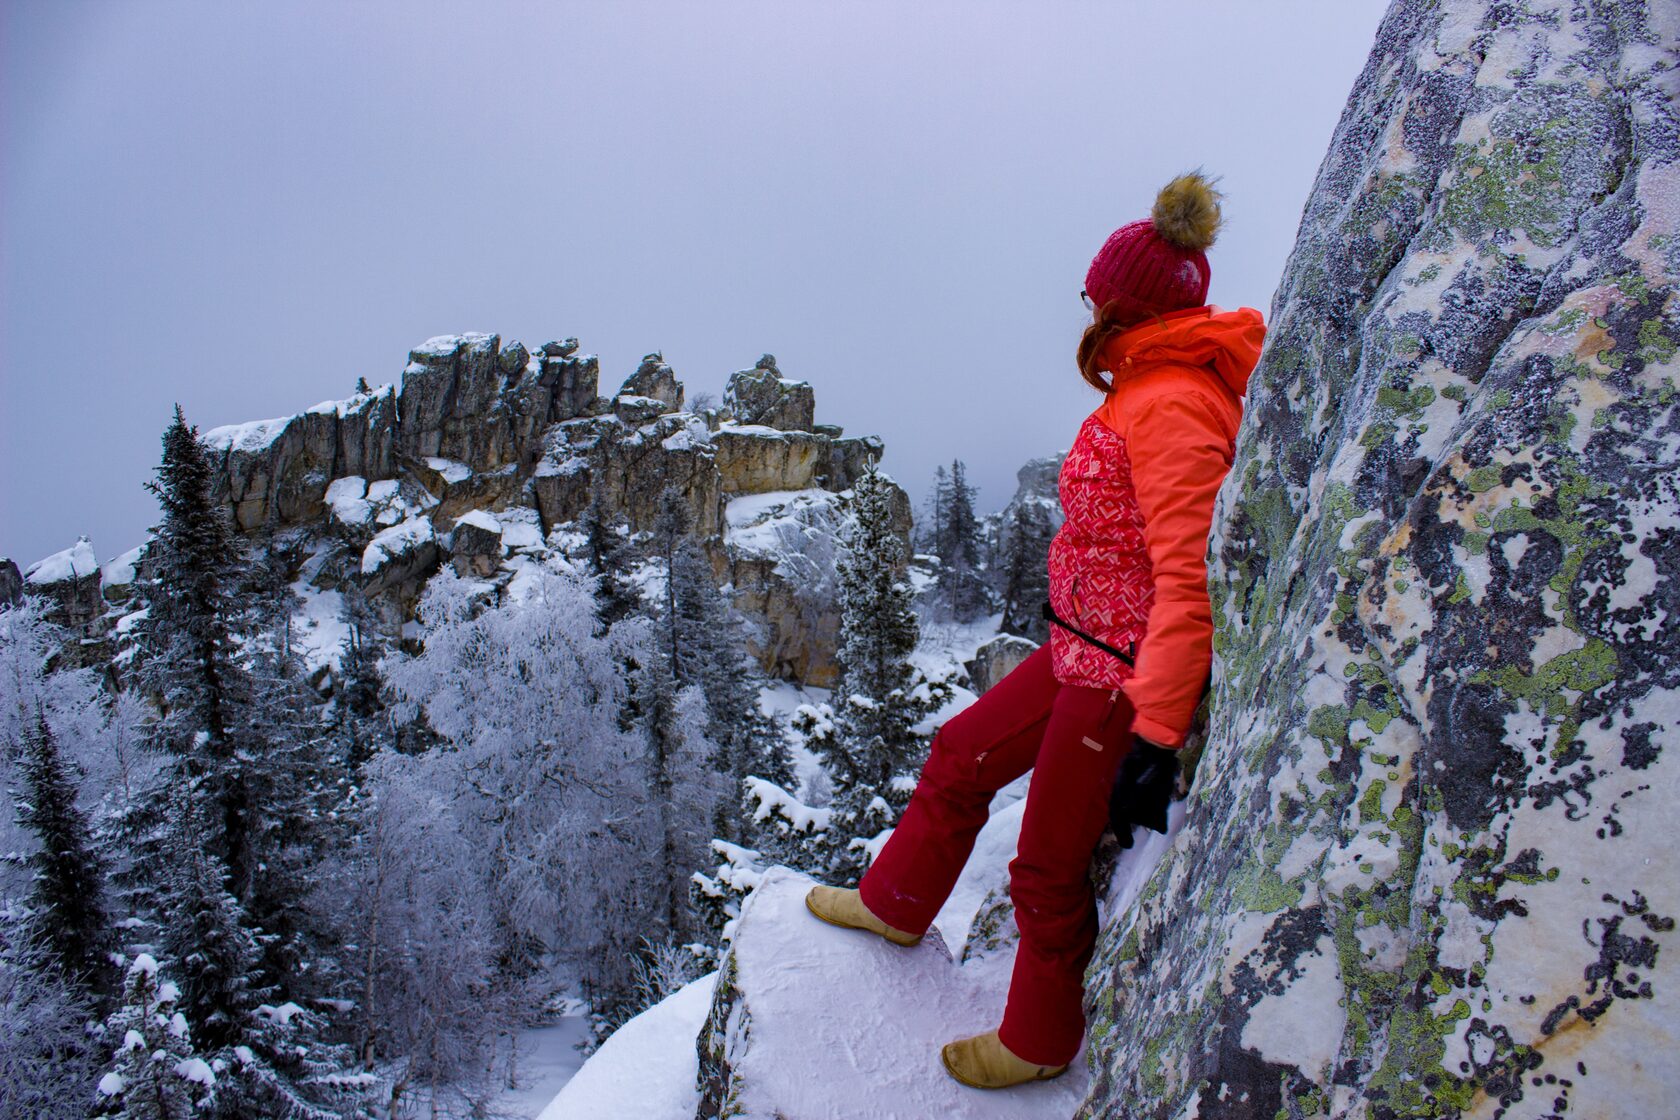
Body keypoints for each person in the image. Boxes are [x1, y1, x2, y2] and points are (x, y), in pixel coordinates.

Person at [804, 171, 1266, 1089]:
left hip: (1119, 676)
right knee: (960, 753)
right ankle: (895, 901)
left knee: (1046, 865)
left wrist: (1154, 733)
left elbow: (1188, 581)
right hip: (1077, 644)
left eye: (1095, 291)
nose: (1085, 301)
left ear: (1123, 303)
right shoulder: (1146, 382)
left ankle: (1039, 1039)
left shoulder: (1171, 399)